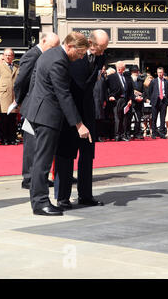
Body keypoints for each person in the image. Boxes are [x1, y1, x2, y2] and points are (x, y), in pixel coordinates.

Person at [25, 31, 91, 216]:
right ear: (69, 46)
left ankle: (39, 199)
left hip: (39, 112)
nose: (80, 57)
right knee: (43, 161)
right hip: (47, 116)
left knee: (41, 159)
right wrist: (79, 124)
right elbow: (63, 94)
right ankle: (40, 202)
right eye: (79, 53)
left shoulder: (50, 54)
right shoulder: (58, 61)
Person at [54, 29, 109, 210]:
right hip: (70, 114)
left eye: (105, 48)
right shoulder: (74, 56)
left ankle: (85, 195)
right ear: (91, 43)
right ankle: (62, 197)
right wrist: (74, 119)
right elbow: (66, 90)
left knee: (87, 156)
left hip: (88, 112)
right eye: (101, 48)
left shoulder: (100, 57)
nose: (103, 52)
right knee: (66, 155)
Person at [14, 32, 60, 190]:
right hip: (31, 104)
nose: (54, 50)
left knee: (40, 145)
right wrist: (19, 101)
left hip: (38, 104)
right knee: (31, 144)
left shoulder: (44, 55)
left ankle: (39, 177)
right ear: (44, 40)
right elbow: (20, 81)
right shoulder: (32, 55)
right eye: (52, 47)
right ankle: (28, 178)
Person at [0, 48, 19, 145]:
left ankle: (12, 138)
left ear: (13, 56)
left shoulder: (17, 67)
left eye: (10, 55)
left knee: (13, 119)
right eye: (6, 55)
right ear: (3, 56)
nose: (8, 57)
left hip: (14, 97)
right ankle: (4, 139)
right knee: (4, 118)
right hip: (4, 96)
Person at [107, 61, 134, 141]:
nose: (119, 69)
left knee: (125, 118)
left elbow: (131, 89)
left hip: (126, 100)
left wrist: (130, 99)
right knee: (117, 118)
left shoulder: (127, 77)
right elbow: (106, 88)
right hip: (117, 100)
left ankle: (123, 134)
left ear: (124, 69)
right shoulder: (111, 77)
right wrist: (110, 96)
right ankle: (117, 135)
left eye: (121, 67)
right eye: (118, 67)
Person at [149, 67, 168, 139]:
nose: (160, 74)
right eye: (159, 72)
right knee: (154, 118)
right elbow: (150, 91)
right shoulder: (153, 81)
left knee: (162, 118)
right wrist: (152, 99)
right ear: (157, 73)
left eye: (161, 72)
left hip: (163, 101)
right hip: (155, 101)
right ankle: (154, 133)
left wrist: (165, 98)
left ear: (163, 73)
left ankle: (161, 133)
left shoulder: (167, 82)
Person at [130, 65, 146, 140]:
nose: (136, 73)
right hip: (131, 103)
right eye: (134, 72)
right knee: (128, 119)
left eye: (137, 72)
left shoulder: (140, 81)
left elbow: (143, 91)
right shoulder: (128, 80)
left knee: (138, 119)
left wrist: (141, 97)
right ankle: (127, 133)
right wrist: (135, 97)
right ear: (131, 73)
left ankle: (137, 133)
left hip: (139, 103)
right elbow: (128, 91)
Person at [93, 65, 108, 142]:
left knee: (98, 120)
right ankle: (97, 136)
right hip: (96, 102)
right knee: (97, 120)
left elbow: (103, 91)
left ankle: (97, 136)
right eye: (102, 69)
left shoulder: (101, 79)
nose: (103, 71)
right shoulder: (99, 79)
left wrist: (104, 100)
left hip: (98, 102)